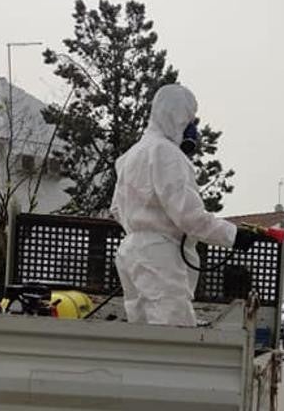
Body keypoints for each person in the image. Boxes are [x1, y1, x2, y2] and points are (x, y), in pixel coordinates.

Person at [111, 83, 259, 326]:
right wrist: (233, 235)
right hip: (159, 257)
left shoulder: (132, 154)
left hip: (131, 252)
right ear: (176, 116)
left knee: (141, 335)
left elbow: (117, 209)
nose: (193, 128)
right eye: (190, 119)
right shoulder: (166, 153)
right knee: (174, 339)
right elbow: (189, 216)